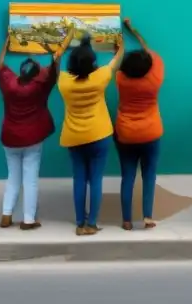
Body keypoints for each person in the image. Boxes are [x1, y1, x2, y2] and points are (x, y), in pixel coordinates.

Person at [0, 25, 73, 229]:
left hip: (10, 138)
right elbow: (54, 72)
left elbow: (0, 65)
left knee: (13, 177)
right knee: (30, 179)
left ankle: (6, 215)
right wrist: (61, 50)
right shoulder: (40, 86)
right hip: (32, 139)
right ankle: (28, 219)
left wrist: (6, 41)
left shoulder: (9, 84)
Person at [58, 29, 126, 235]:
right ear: (93, 62)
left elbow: (56, 58)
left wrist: (68, 38)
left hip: (73, 136)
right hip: (99, 135)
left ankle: (80, 223)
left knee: (79, 179)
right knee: (96, 179)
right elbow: (118, 57)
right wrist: (120, 42)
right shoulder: (100, 77)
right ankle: (92, 223)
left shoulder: (63, 81)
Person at [114, 18, 165, 230]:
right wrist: (133, 29)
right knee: (149, 175)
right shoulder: (155, 77)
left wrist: (119, 44)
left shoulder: (120, 79)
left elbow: (117, 64)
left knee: (127, 176)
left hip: (125, 133)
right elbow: (148, 51)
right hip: (151, 133)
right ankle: (147, 217)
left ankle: (126, 220)